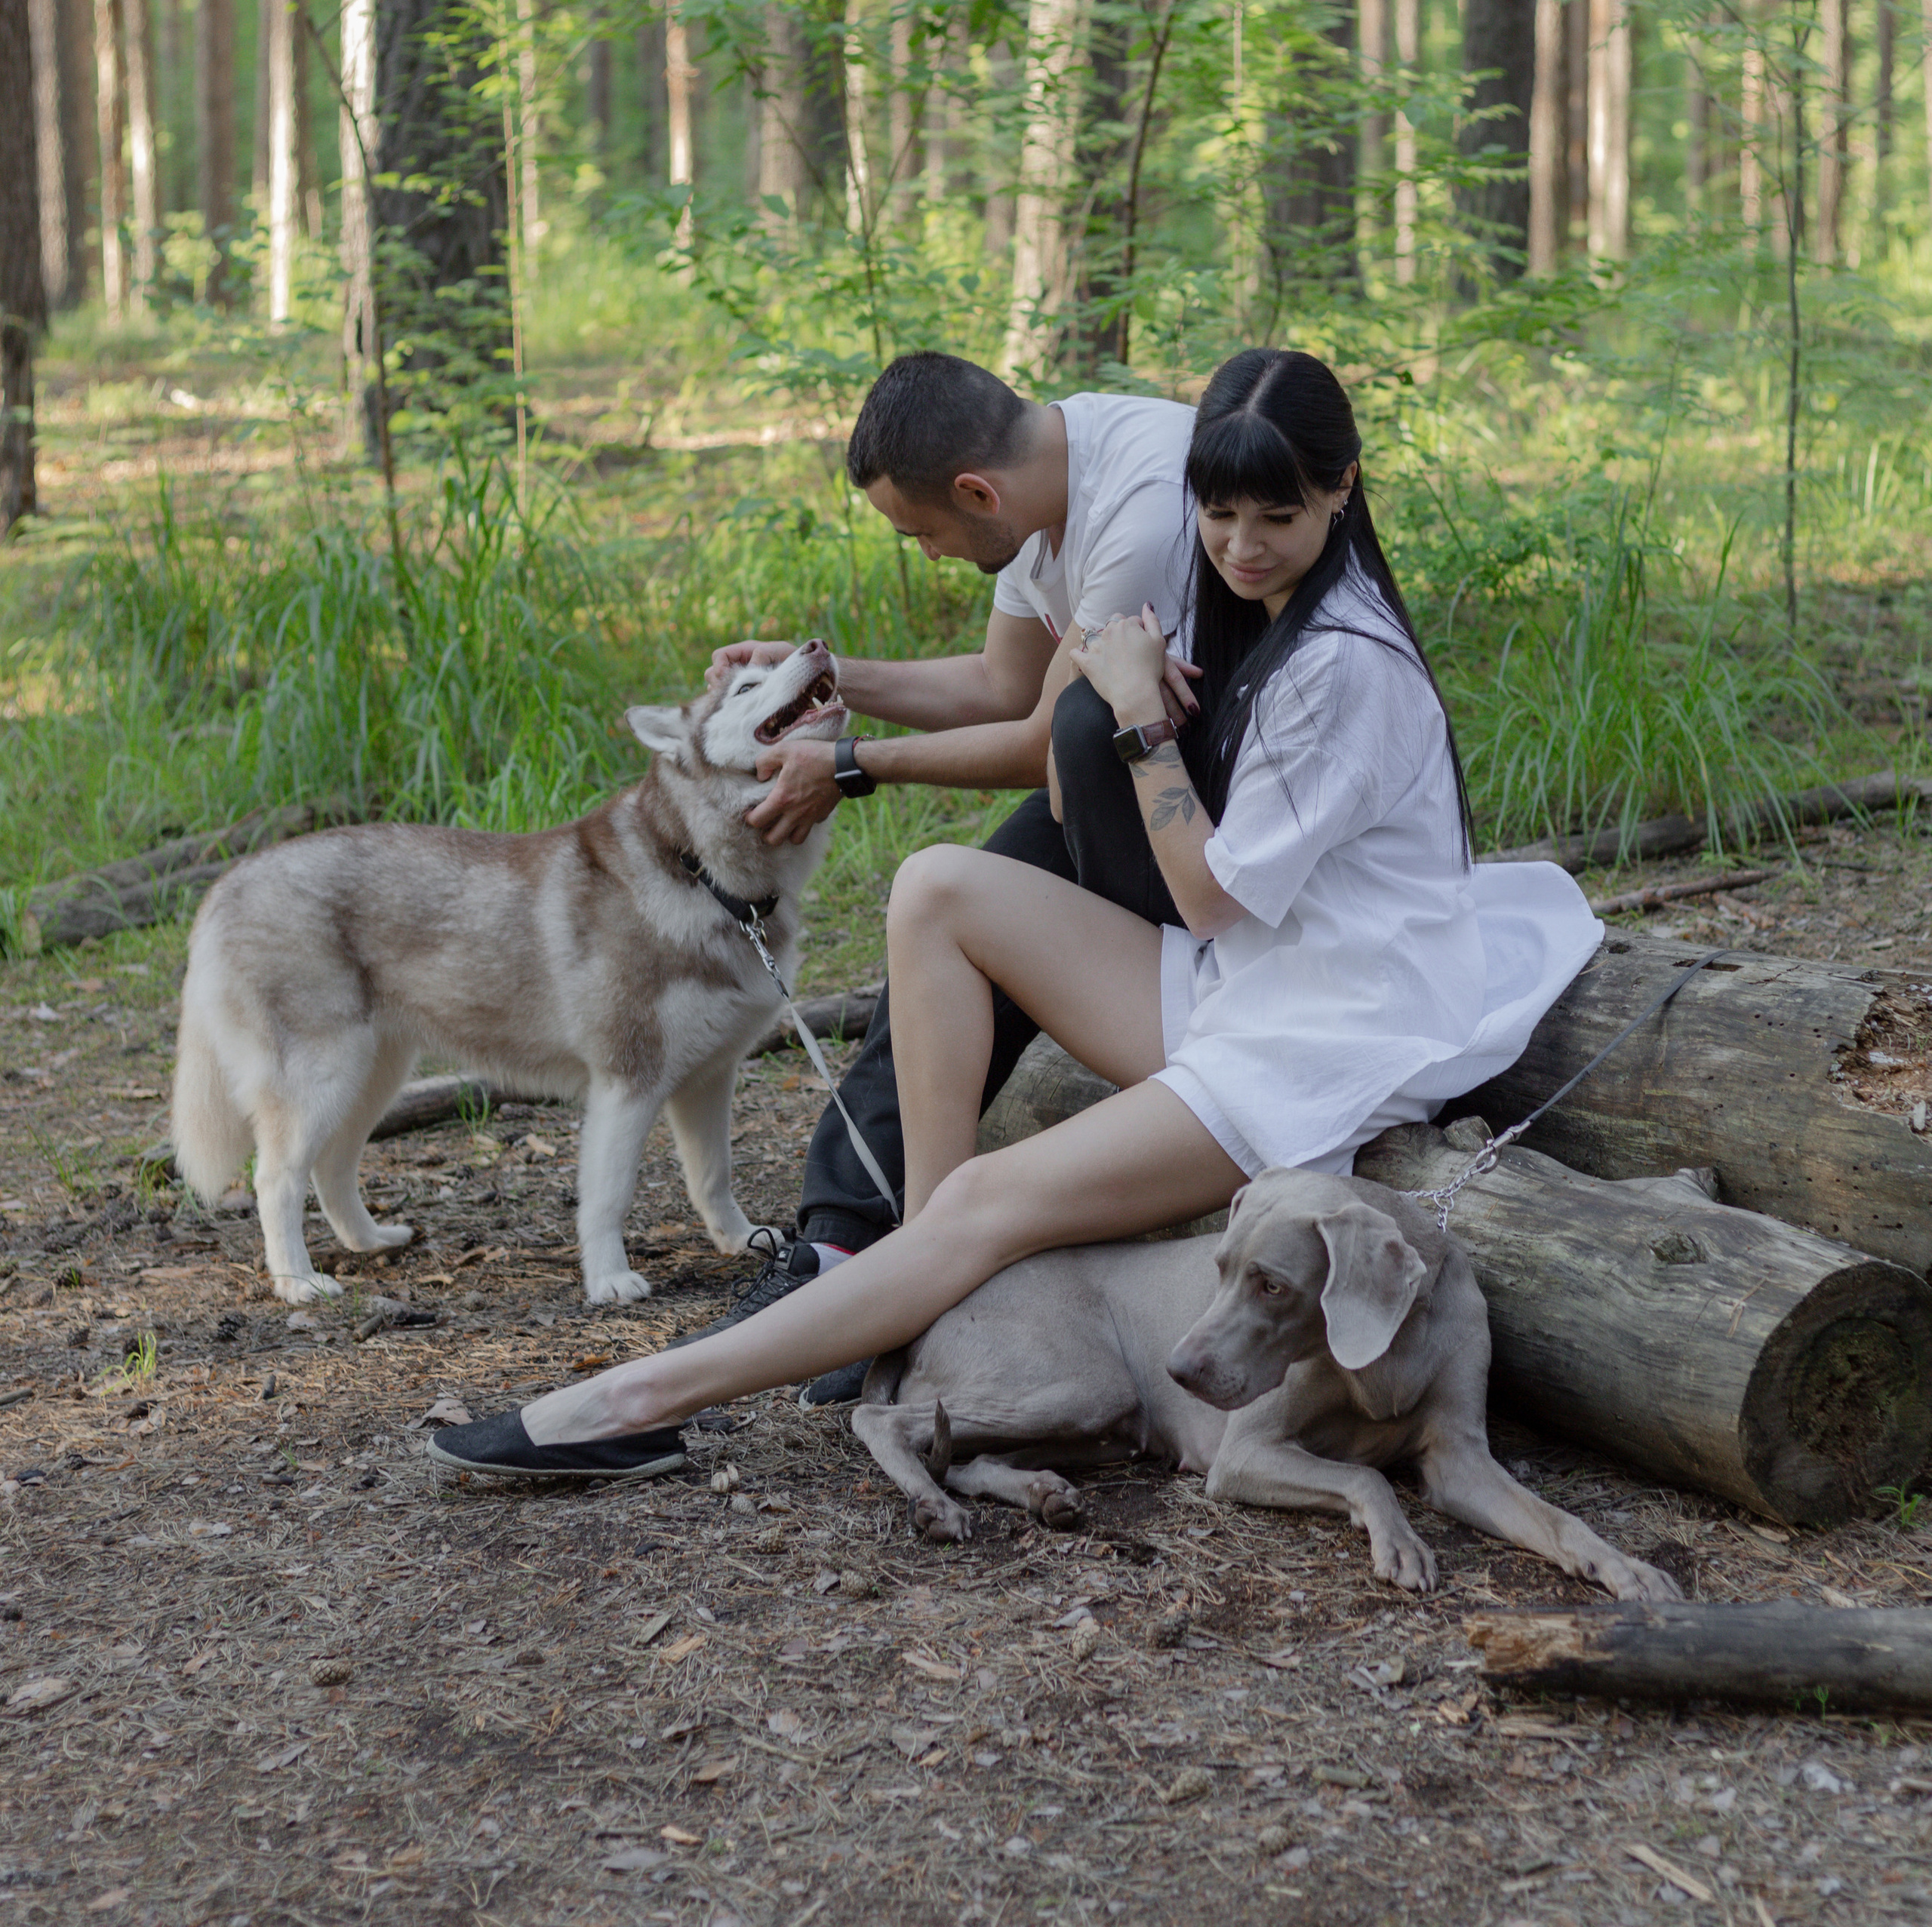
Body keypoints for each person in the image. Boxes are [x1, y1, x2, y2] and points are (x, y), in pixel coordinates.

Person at [430, 348, 1601, 1486]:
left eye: (1276, 519)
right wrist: (859, 685)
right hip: (1253, 977)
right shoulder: (1267, 602)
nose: (1241, 547)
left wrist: (1138, 710)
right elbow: (1023, 699)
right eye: (1222, 516)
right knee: (938, 886)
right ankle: (933, 1272)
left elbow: (1200, 887)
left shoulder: (1348, 661)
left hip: (1330, 1033)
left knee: (994, 1198)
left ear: (1343, 489)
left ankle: (633, 1402)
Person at [676, 348, 1203, 1398]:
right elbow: (999, 683)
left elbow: (1049, 735)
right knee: (949, 923)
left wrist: (848, 767)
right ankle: (842, 1245)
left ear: (975, 493)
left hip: (1206, 816)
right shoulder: (1037, 477)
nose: (923, 553)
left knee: (988, 896)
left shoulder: (1140, 508)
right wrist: (816, 679)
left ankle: (910, 1264)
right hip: (1118, 789)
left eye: (921, 533)